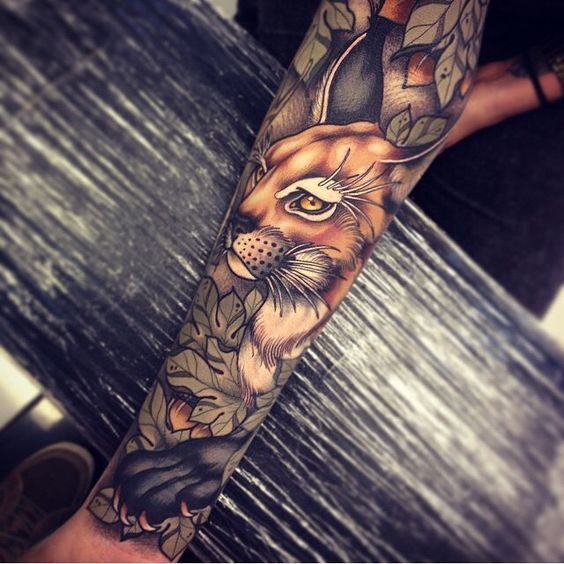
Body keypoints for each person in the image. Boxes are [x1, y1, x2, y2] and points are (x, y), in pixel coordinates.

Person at [25, 0, 564, 561]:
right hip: (345, 41)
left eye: (303, 203)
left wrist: (523, 83)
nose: (251, 220)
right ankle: (98, 488)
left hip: (523, 118)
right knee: (162, 322)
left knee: (399, 435)